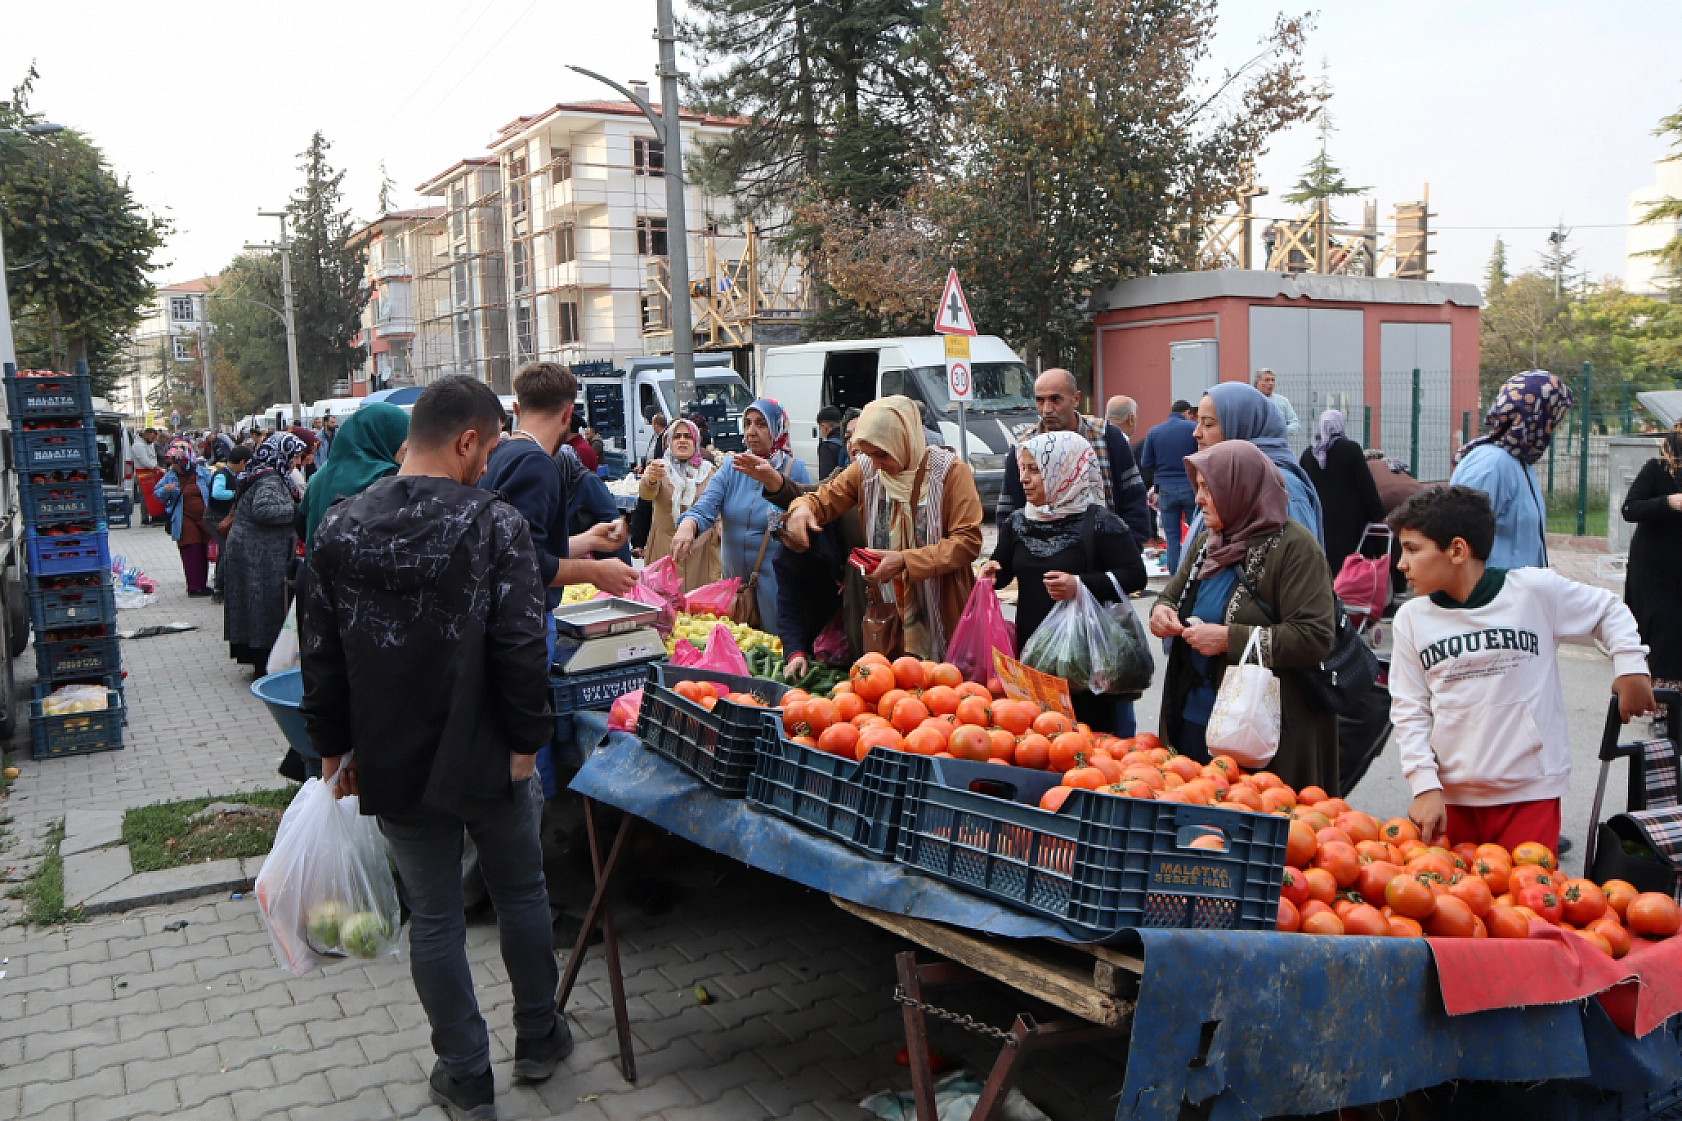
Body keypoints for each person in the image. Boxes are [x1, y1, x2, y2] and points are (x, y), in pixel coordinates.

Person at [298, 375, 569, 1119]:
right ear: (465, 440)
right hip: (492, 753)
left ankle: (466, 1076)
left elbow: (317, 656)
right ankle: (540, 1039)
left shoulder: (340, 527)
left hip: (394, 756)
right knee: (521, 892)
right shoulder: (495, 524)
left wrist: (333, 751)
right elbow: (521, 643)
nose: (487, 470)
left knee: (437, 915)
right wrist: (526, 741)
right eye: (485, 452)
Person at [1388, 485, 1653, 854]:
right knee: (1457, 908)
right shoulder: (1411, 619)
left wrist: (1630, 666)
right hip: (1450, 798)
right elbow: (1408, 709)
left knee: (1526, 907)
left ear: (1457, 550)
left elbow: (1608, 609)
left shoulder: (1533, 591)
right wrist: (1424, 785)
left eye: (1413, 549)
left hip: (1531, 792)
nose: (1401, 563)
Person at [1149, 440, 1338, 789]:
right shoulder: (1210, 539)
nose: (1199, 499)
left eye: (1210, 489)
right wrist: (1162, 611)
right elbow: (1173, 593)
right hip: (1196, 714)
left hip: (1262, 729)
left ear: (1241, 488)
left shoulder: (1295, 548)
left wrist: (1227, 640)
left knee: (1251, 825)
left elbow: (1314, 636)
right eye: (1199, 488)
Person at [782, 396, 982, 660]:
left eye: (882, 454)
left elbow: (967, 542)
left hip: (943, 607)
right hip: (888, 610)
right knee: (895, 692)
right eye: (868, 454)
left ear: (905, 440)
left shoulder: (950, 473)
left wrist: (905, 562)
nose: (875, 464)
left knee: (946, 690)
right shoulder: (866, 470)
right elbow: (824, 498)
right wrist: (802, 509)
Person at [980, 432, 1147, 731]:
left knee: (1087, 740)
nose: (1024, 479)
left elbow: (1135, 575)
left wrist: (1080, 584)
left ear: (1064, 471)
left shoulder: (1099, 522)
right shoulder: (1018, 522)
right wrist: (991, 573)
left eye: (1035, 471)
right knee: (1038, 738)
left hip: (1085, 659)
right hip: (1032, 656)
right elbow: (1003, 569)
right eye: (1024, 469)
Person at [671, 399, 811, 626]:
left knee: (773, 652)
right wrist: (689, 525)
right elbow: (706, 505)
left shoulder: (794, 471)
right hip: (734, 588)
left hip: (778, 588)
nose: (751, 431)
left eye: (761, 424)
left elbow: (808, 518)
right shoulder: (732, 467)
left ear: (778, 428)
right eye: (747, 424)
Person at [997, 369, 1151, 548]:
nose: (1047, 409)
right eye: (1040, 400)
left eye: (1055, 400)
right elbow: (1007, 511)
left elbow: (1133, 495)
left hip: (1103, 556)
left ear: (1076, 399)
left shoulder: (1106, 436)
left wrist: (1127, 548)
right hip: (1043, 559)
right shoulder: (1023, 446)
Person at [1449, 370, 1574, 570]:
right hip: (1492, 595)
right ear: (1537, 417)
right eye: (1553, 419)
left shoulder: (1520, 463)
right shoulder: (1491, 464)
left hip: (1518, 594)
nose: (1553, 428)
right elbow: (1460, 538)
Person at [1192, 382, 1323, 544]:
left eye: (1208, 424)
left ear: (1241, 426)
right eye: (1197, 422)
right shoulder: (1225, 478)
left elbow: (1300, 561)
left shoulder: (1281, 487)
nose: (1196, 433)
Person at [223, 432, 307, 674]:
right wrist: (298, 510)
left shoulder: (260, 471)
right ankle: (264, 661)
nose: (297, 463)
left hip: (250, 549)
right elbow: (264, 510)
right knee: (263, 603)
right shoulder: (270, 479)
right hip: (259, 553)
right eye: (295, 457)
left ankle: (255, 655)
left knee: (251, 603)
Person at [1621, 420, 1682, 728]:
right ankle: (1662, 711)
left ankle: (1675, 709)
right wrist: (1668, 502)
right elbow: (1630, 508)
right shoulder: (1657, 470)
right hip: (1655, 573)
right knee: (1664, 636)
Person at [300, 402, 409, 553]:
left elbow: (301, 524)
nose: (404, 450)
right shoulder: (389, 478)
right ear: (386, 438)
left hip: (318, 570)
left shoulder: (321, 474)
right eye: (403, 443)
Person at [633, 418, 721, 590]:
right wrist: (649, 478)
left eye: (688, 437)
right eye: (677, 436)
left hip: (700, 550)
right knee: (665, 603)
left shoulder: (708, 472)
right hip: (665, 547)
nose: (682, 440)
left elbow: (717, 505)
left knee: (697, 607)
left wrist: (719, 525)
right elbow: (646, 494)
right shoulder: (658, 468)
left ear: (696, 442)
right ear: (668, 442)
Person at [1301, 409, 1387, 574]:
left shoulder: (1309, 454)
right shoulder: (1351, 449)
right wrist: (1379, 515)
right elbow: (1366, 485)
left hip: (1321, 517)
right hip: (1351, 519)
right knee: (1352, 560)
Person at [1138, 400, 1200, 576]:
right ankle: (1194, 574)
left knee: (1172, 537)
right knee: (1196, 534)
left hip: (1165, 489)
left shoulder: (1155, 431)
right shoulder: (1192, 429)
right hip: (1190, 486)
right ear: (1187, 412)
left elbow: (1146, 462)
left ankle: (1175, 576)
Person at [153, 439, 216, 598]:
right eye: (172, 462)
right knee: (190, 550)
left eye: (175, 461)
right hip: (184, 518)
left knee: (203, 551)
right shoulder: (170, 476)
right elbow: (157, 493)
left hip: (204, 518)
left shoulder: (202, 473)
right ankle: (194, 587)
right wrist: (165, 491)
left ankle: (203, 585)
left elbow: (213, 491)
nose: (173, 465)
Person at [208, 445, 250, 603]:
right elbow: (217, 493)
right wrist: (235, 494)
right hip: (215, 518)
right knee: (226, 550)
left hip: (224, 517)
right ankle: (219, 588)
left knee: (226, 550)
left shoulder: (232, 474)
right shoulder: (222, 474)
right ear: (242, 462)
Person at [1253, 368, 1300, 436]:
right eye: (1267, 380)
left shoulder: (1283, 401)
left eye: (1273, 380)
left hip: (1277, 443)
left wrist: (1280, 431)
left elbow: (1295, 423)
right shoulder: (1250, 401)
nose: (1271, 383)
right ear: (1257, 383)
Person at [132, 427, 162, 526]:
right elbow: (144, 461)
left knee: (152, 495)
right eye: (152, 438)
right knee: (145, 496)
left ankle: (154, 514)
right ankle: (145, 518)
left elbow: (153, 457)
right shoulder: (138, 445)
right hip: (142, 473)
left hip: (152, 472)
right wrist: (156, 466)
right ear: (146, 435)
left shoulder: (150, 444)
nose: (153, 440)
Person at [816, 405, 848, 479]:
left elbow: (825, 480)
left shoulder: (826, 447)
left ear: (825, 427)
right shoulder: (848, 441)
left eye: (821, 429)